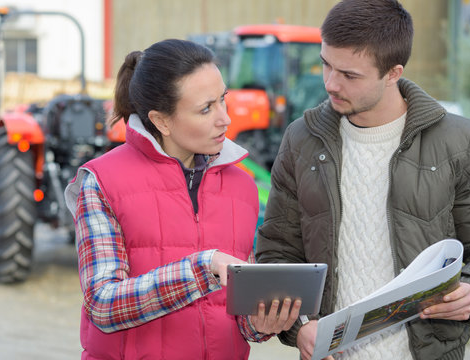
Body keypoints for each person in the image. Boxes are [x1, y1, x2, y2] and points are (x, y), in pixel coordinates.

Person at [255, 1, 470, 360]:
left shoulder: (460, 140)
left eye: (350, 75)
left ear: (393, 72)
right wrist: (300, 328)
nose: (331, 83)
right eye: (326, 64)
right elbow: (278, 254)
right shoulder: (301, 140)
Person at [64, 39, 300, 360]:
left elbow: (238, 320)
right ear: (162, 121)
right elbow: (102, 305)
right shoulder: (102, 182)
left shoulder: (242, 186)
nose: (225, 119)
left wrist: (261, 323)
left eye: (222, 100)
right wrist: (204, 268)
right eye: (206, 108)